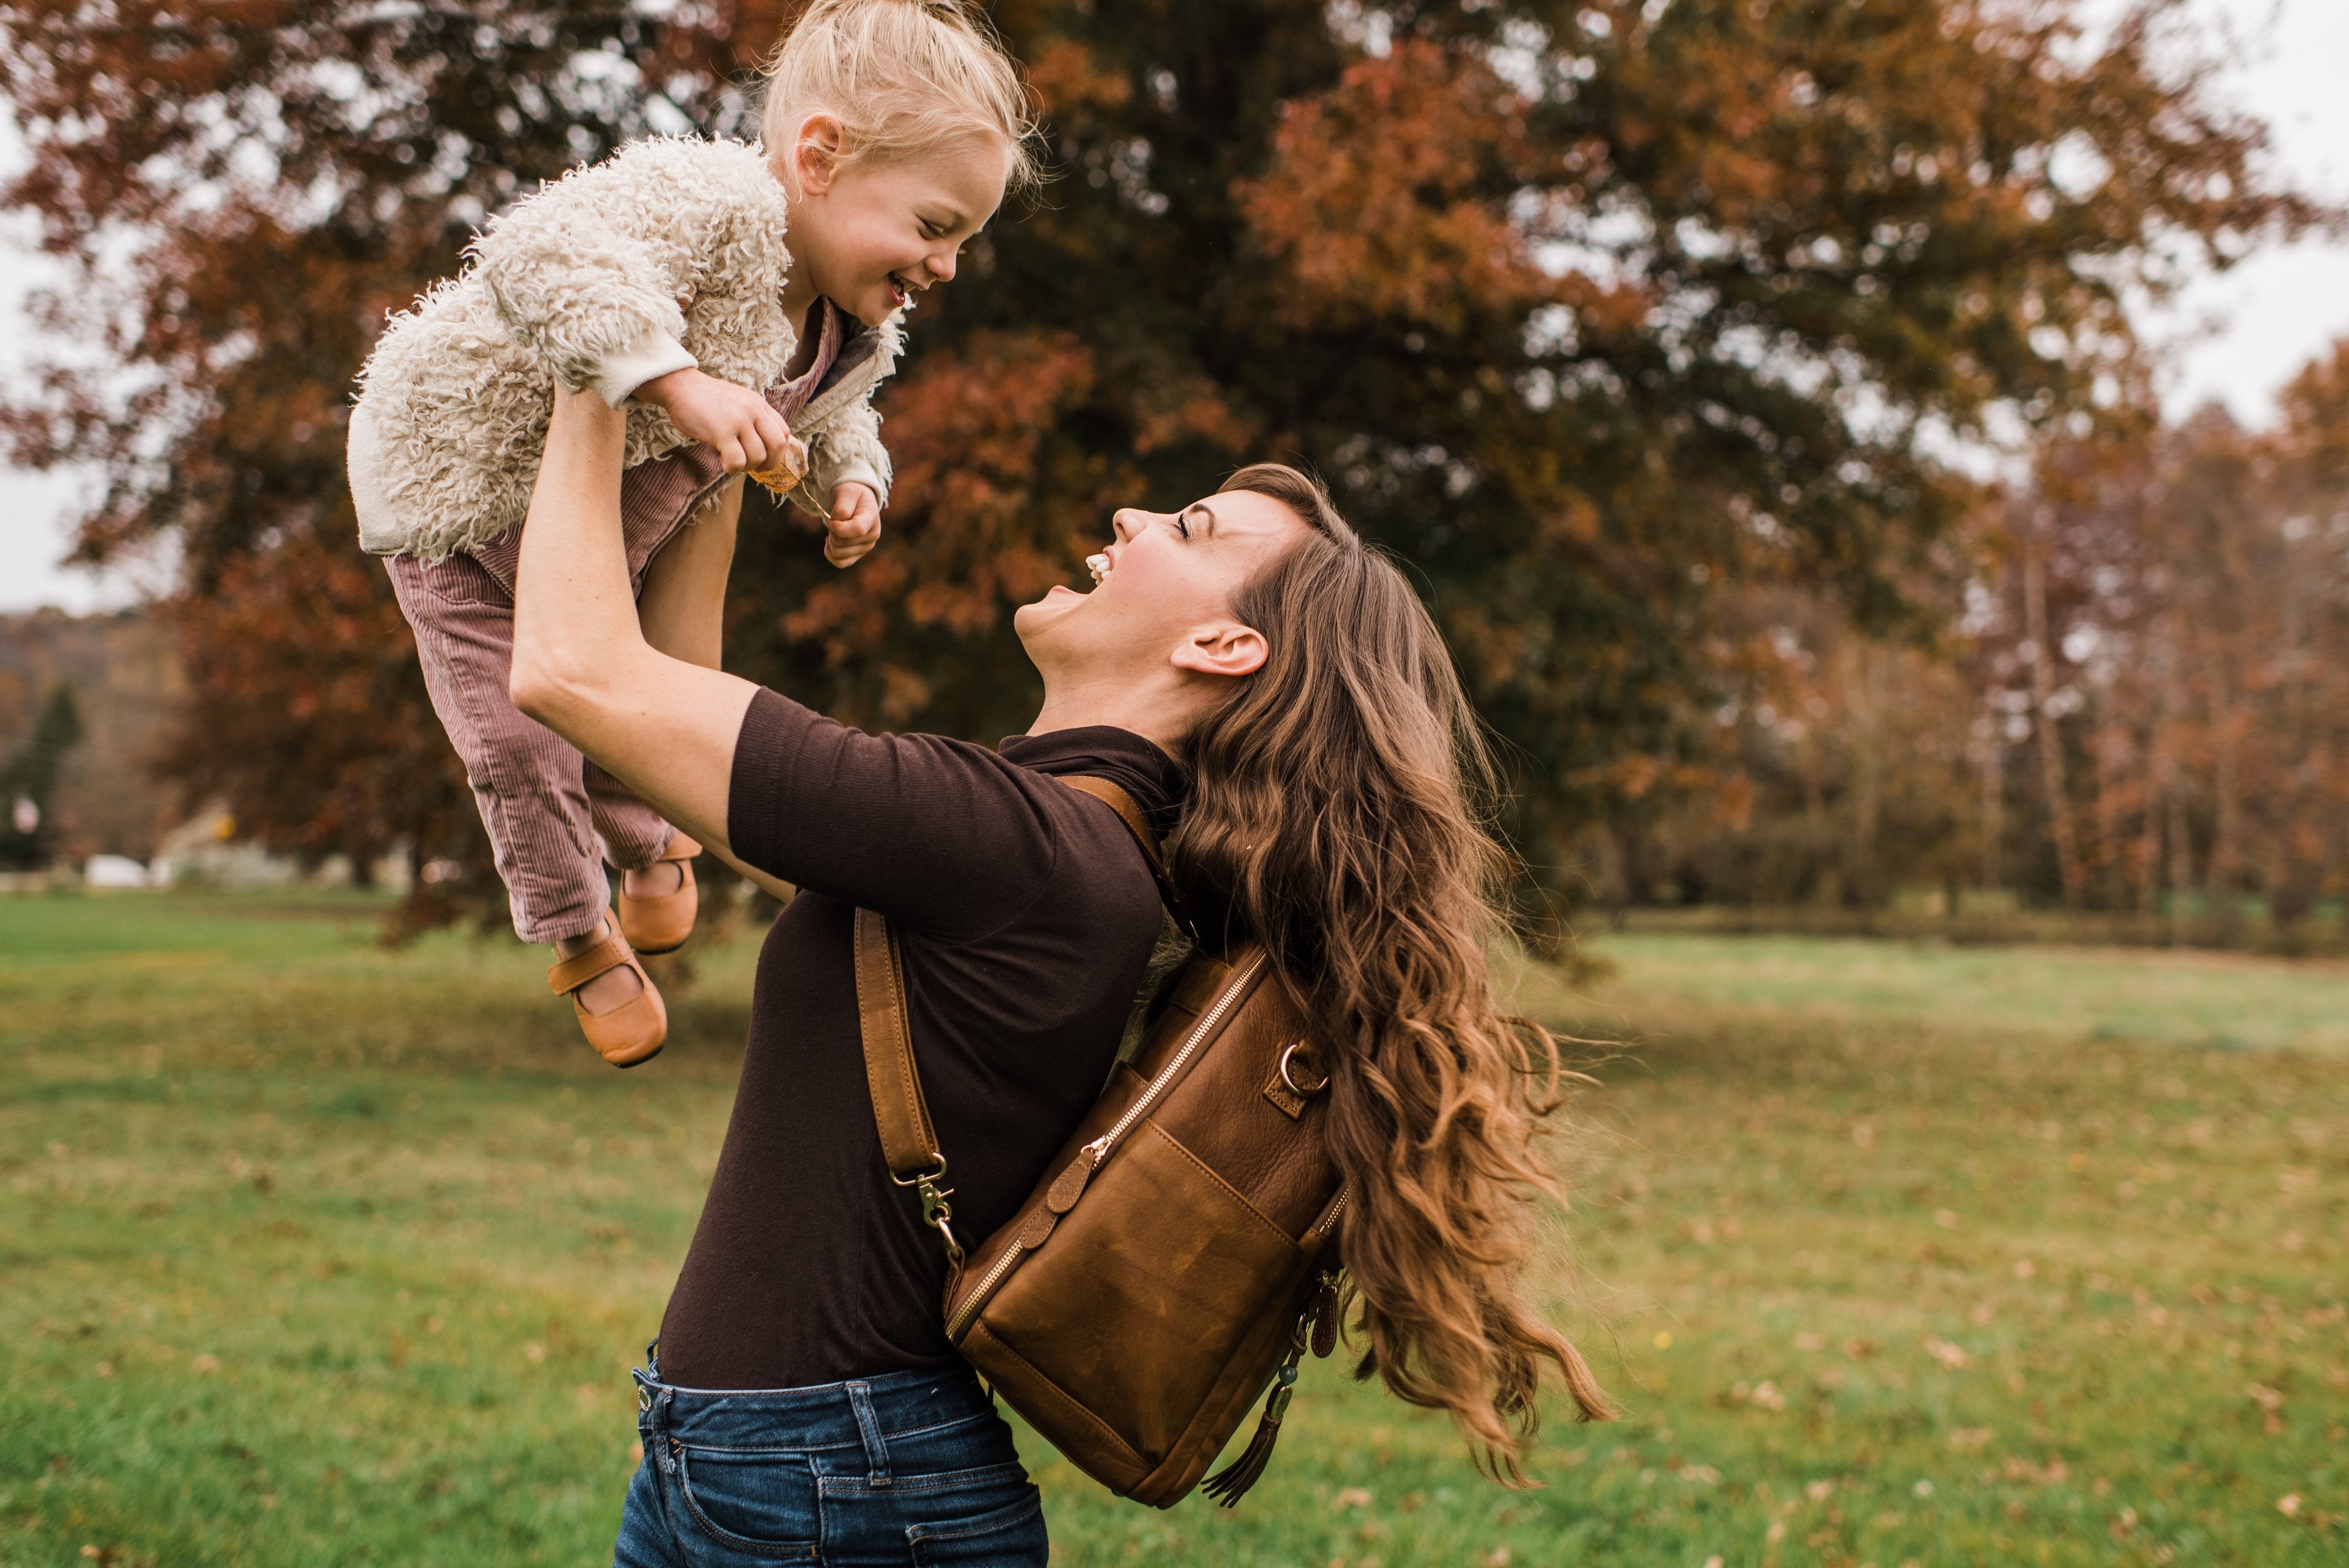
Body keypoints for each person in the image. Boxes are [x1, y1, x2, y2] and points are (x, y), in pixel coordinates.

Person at [509, 388, 1613, 1566]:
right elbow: (658, 706)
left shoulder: (1016, 845)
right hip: (766, 1467)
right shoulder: (1053, 843)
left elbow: (572, 673)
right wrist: (718, 456)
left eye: (1188, 530)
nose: (1133, 514)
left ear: (1223, 646)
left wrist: (594, 368)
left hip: (836, 1492)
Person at [349, 0, 1037, 1068]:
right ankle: (579, 934)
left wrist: (850, 477)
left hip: (607, 507)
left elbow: (825, 405)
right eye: (935, 226)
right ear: (819, 157)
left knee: (647, 684)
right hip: (463, 498)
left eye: (965, 242)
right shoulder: (706, 199)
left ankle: (651, 837)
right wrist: (677, 380)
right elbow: (538, 256)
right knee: (520, 743)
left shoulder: (849, 321)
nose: (946, 264)